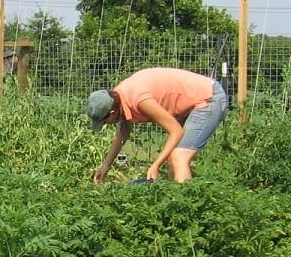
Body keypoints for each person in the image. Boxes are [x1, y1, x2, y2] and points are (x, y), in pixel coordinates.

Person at [85, 67, 228, 184]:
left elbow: (176, 131)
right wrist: (105, 167)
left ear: (112, 112)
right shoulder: (118, 97)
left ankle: (188, 211)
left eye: (104, 121)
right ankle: (180, 205)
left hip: (208, 98)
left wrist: (155, 165)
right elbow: (122, 134)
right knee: (173, 161)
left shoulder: (138, 99)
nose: (105, 125)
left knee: (178, 157)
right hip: (194, 101)